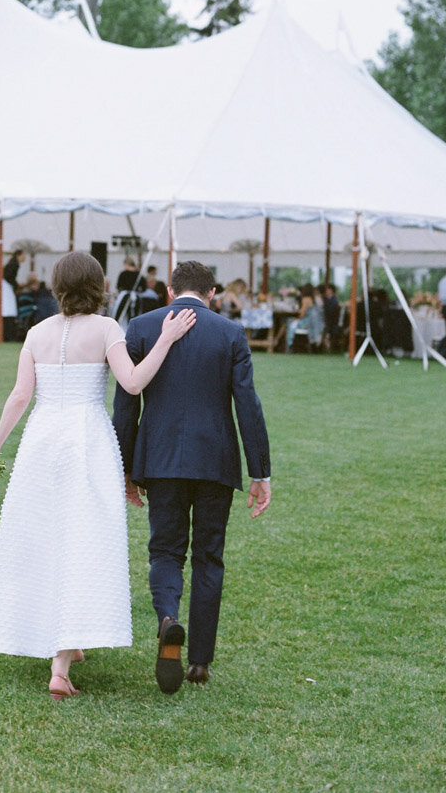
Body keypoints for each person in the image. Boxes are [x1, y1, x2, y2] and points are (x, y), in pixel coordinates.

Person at [0, 251, 196, 701]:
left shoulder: (36, 332)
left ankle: (67, 639)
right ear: (98, 284)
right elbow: (132, 383)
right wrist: (165, 339)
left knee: (47, 538)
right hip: (87, 440)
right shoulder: (108, 329)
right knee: (82, 541)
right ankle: (60, 667)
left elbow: (20, 396)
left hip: (42, 440)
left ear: (57, 286)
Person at [113, 260, 271, 693]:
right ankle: (199, 661)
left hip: (160, 460)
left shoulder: (141, 327)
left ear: (169, 291)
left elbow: (126, 406)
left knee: (165, 550)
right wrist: (261, 471)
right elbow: (248, 405)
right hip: (215, 460)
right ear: (213, 293)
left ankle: (168, 619)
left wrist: (124, 467)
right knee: (209, 555)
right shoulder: (230, 333)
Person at [1, 249, 25, 341]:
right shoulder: (15, 264)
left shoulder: (13, 264)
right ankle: (8, 335)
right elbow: (9, 277)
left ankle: (7, 335)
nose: (24, 258)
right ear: (19, 255)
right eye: (23, 255)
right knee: (9, 310)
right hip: (6, 287)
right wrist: (16, 285)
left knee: (8, 310)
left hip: (7, 286)